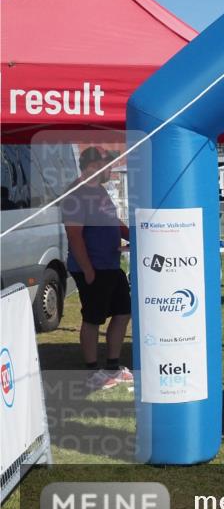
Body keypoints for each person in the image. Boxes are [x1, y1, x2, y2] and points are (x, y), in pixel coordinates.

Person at [61, 147, 134, 390]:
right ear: (93, 166)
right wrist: (88, 270)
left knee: (123, 312)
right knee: (93, 319)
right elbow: (74, 235)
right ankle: (92, 373)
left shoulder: (99, 190)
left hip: (111, 264)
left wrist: (132, 235)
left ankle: (112, 367)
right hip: (92, 268)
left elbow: (113, 221)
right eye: (108, 165)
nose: (111, 170)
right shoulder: (76, 194)